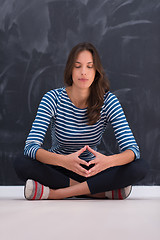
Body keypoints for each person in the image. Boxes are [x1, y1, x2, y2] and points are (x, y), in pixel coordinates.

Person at [14, 42, 148, 200]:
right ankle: (100, 192)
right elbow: (31, 147)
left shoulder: (109, 101)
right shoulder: (52, 99)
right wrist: (64, 161)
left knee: (140, 167)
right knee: (21, 162)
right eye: (77, 66)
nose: (83, 72)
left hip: (92, 170)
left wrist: (108, 162)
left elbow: (133, 150)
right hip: (58, 168)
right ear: (70, 69)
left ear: (96, 71)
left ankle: (57, 193)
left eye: (89, 66)